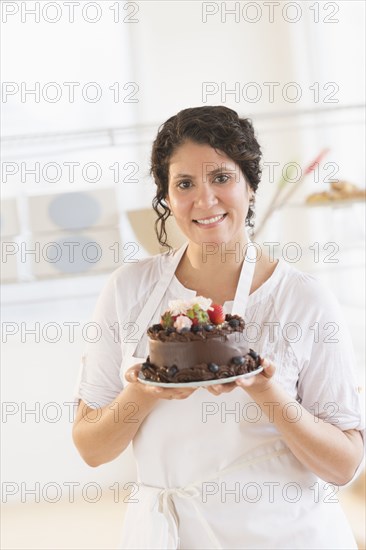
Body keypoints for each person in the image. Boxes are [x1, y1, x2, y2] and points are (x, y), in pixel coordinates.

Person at [73, 106, 364, 549]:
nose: (204, 200)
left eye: (222, 178)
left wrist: (266, 390)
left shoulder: (303, 300)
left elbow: (344, 466)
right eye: (185, 184)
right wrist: (144, 389)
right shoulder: (128, 290)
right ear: (167, 198)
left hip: (283, 534)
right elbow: (92, 448)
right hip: (169, 534)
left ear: (250, 186)